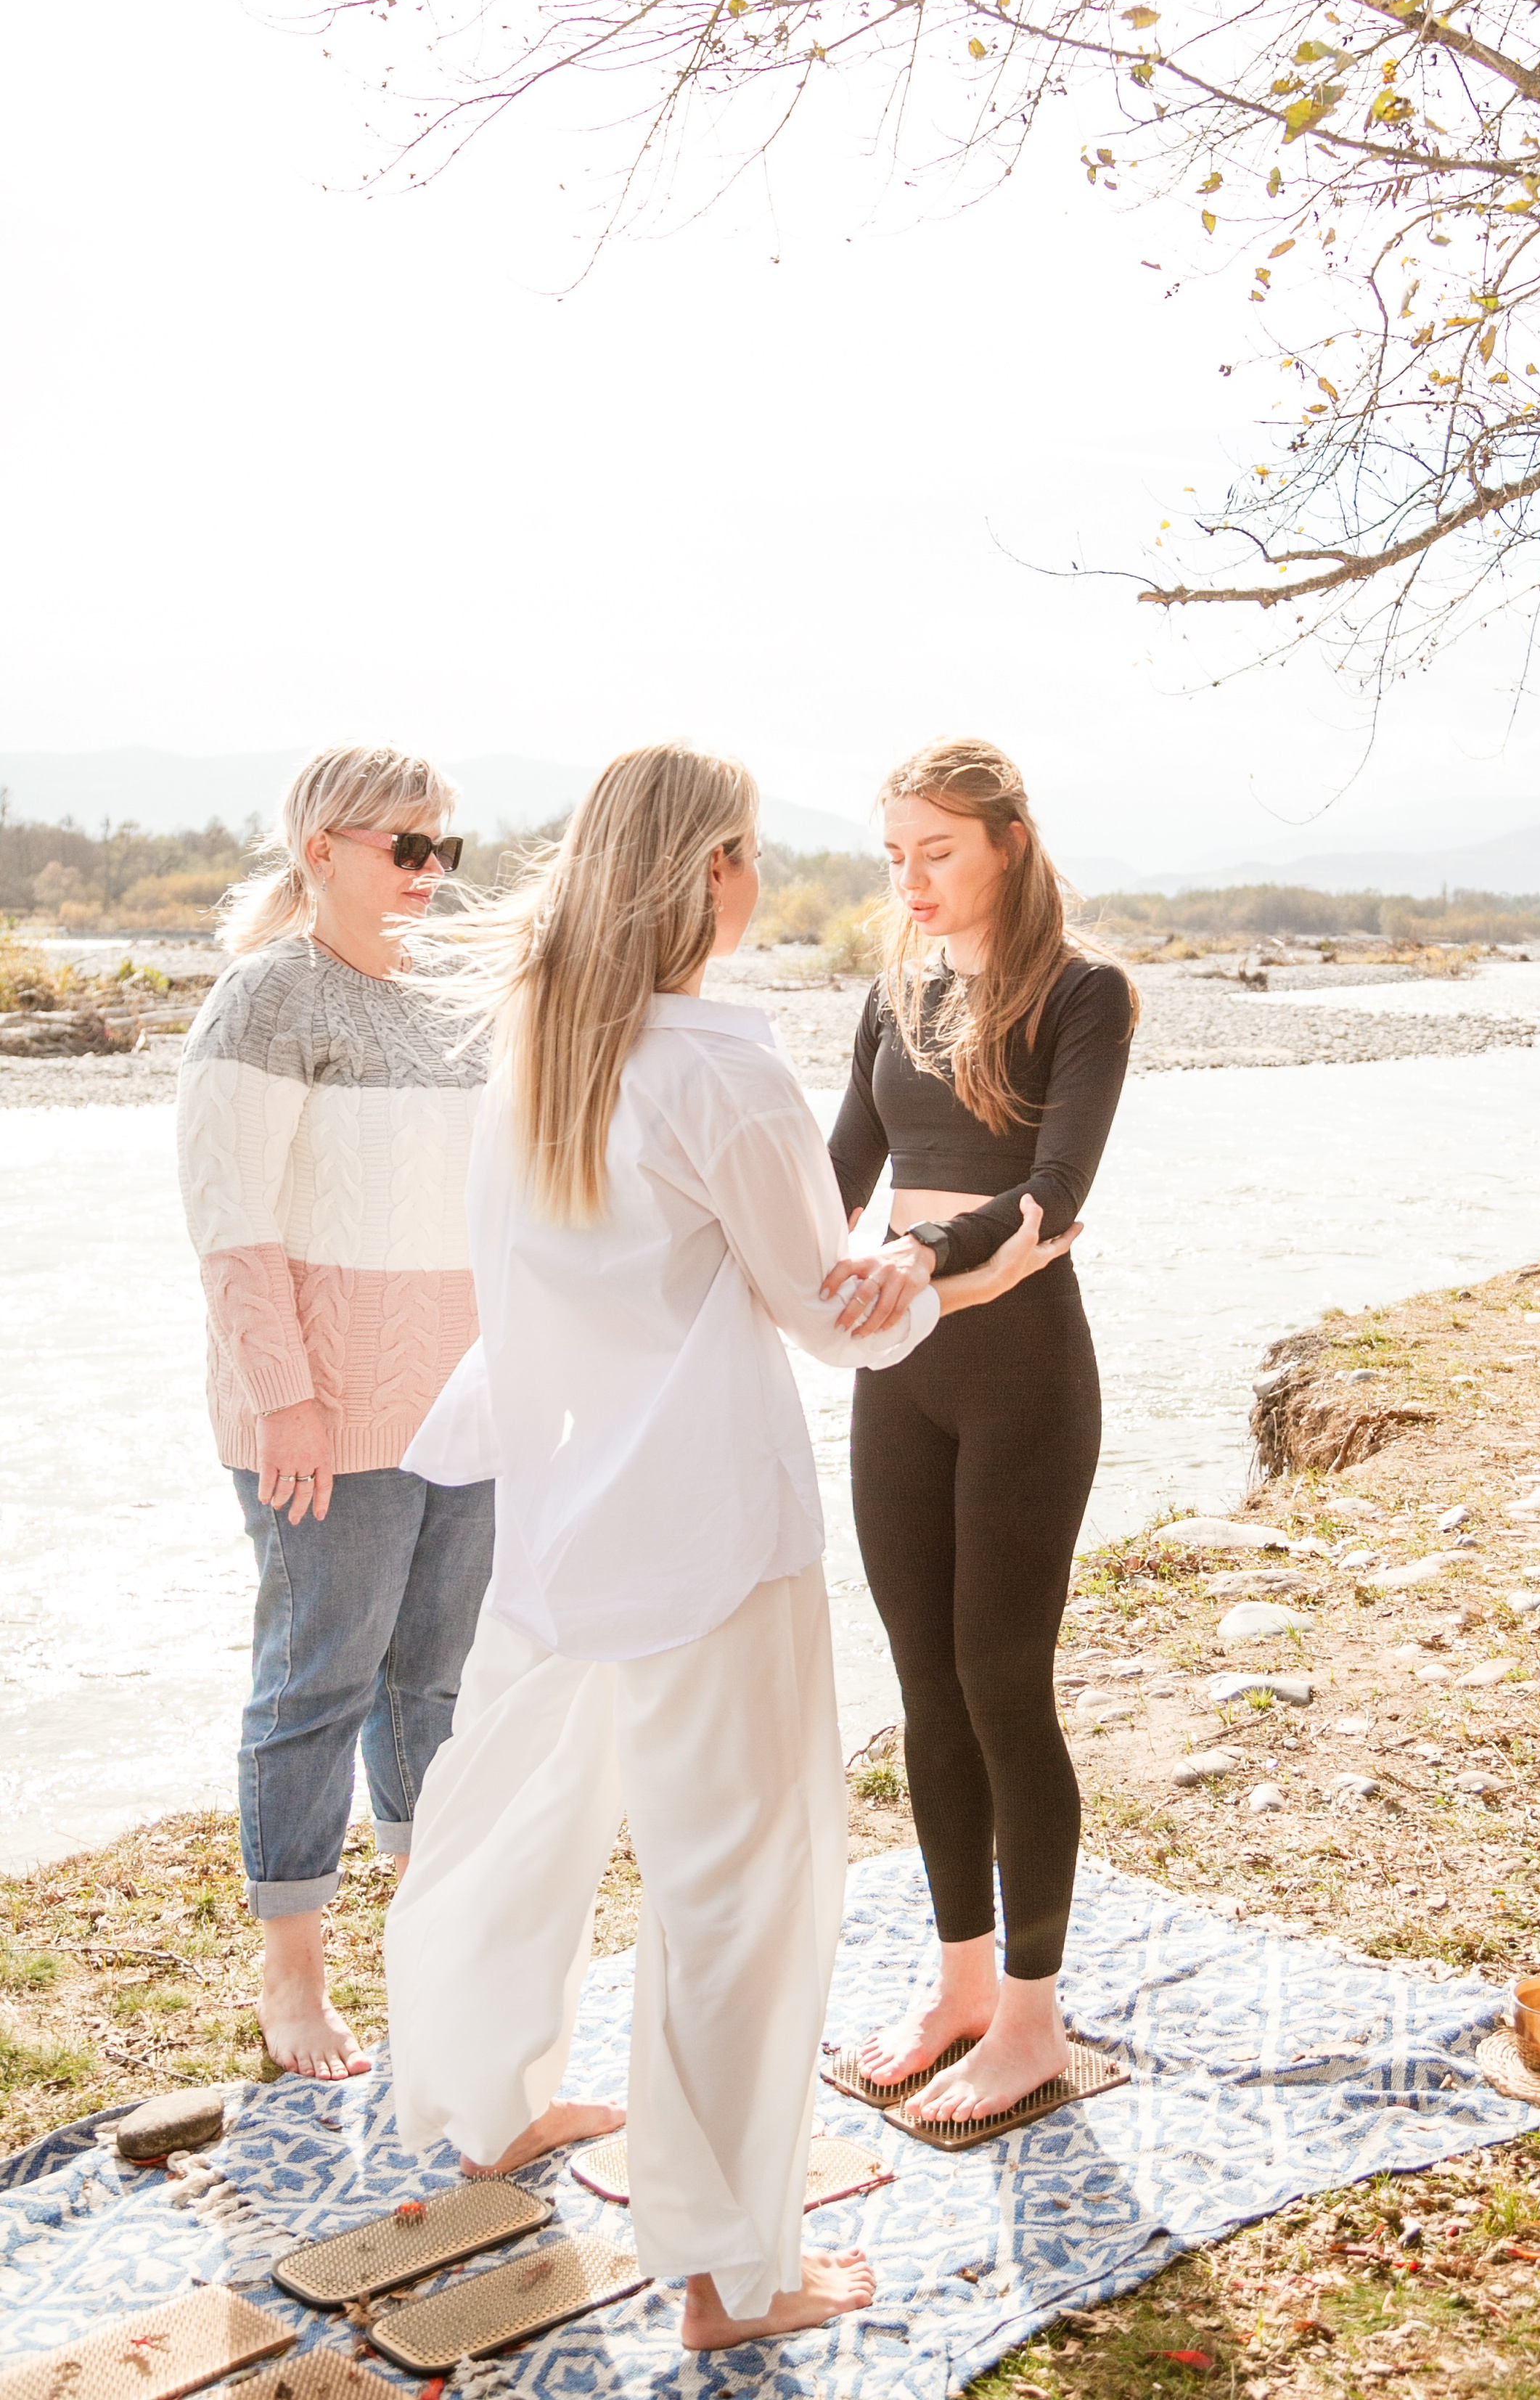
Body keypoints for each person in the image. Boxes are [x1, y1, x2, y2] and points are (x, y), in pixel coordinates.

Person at [385, 742, 1070, 2354]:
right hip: (701, 1535)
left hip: (553, 1525)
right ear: (705, 874)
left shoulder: (538, 1053)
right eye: (751, 849)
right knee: (738, 1893)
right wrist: (943, 1273)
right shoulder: (715, 1065)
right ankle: (728, 2272)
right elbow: (818, 1313)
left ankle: (487, 2108)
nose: (763, 875)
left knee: (517, 1817)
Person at [824, 739, 1136, 2126]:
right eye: (895, 855)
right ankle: (956, 1987)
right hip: (902, 1369)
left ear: (1007, 839)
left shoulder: (1086, 994)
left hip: (1022, 1376)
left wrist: (917, 1252)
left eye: (936, 851)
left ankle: (1032, 2019)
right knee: (923, 1684)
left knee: (1003, 1679)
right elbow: (835, 1174)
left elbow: (1055, 1196)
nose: (912, 880)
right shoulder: (892, 993)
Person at [176, 743, 492, 2081]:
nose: (429, 874)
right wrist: (284, 1403)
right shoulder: (266, 998)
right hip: (321, 1418)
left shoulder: (454, 1001)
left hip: (465, 1408)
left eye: (443, 850)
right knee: (319, 1683)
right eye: (403, 848)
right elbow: (229, 1222)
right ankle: (292, 1982)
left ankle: (429, 1950)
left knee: (434, 1684)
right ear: (322, 850)